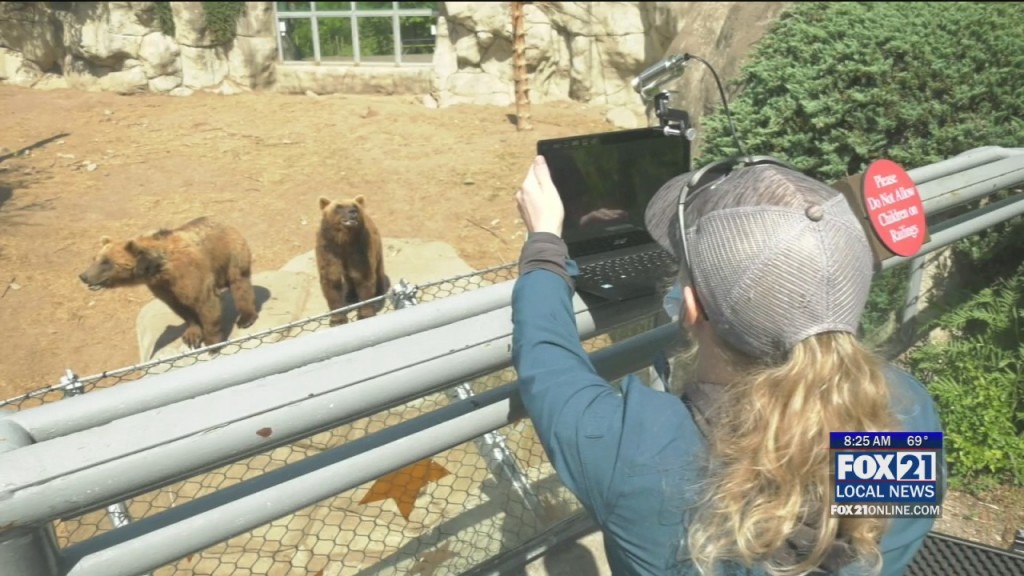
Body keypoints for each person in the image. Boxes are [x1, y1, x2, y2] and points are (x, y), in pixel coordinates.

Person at [510, 155, 945, 575]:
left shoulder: (634, 450)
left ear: (690, 307)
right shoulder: (903, 413)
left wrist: (545, 240)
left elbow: (547, 358)